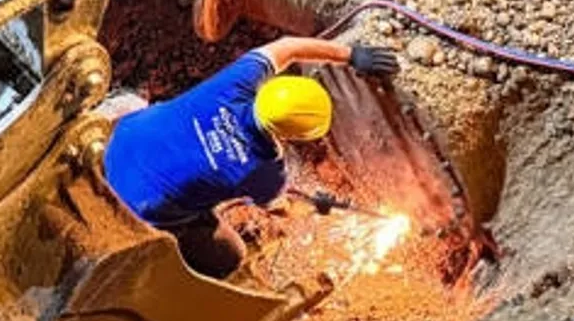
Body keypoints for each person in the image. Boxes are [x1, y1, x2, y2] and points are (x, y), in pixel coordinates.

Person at [102, 37, 400, 278]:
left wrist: (351, 54)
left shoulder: (237, 84)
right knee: (230, 255)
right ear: (295, 136)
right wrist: (317, 206)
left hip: (116, 143)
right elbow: (282, 208)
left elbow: (288, 47)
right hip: (137, 208)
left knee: (135, 104)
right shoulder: (265, 169)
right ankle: (166, 266)